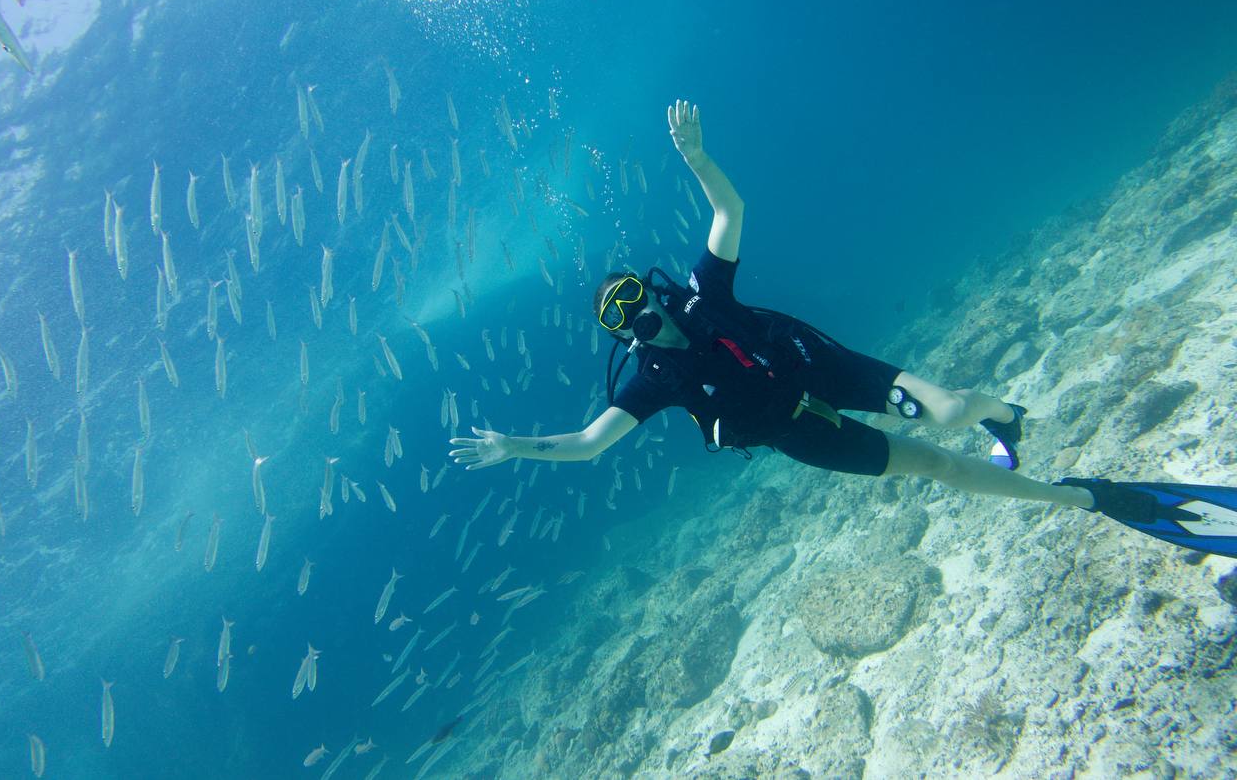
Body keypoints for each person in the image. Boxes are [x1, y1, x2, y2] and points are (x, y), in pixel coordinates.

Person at [449, 100, 1237, 557]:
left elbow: (731, 211)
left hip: (822, 365)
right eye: (619, 317)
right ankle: (1079, 498)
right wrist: (513, 445)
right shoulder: (653, 382)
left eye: (632, 294)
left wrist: (695, 156)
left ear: (647, 287)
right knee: (939, 468)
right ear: (623, 338)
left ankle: (1001, 412)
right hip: (800, 431)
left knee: (953, 411)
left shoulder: (701, 293)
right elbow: (590, 443)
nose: (637, 314)